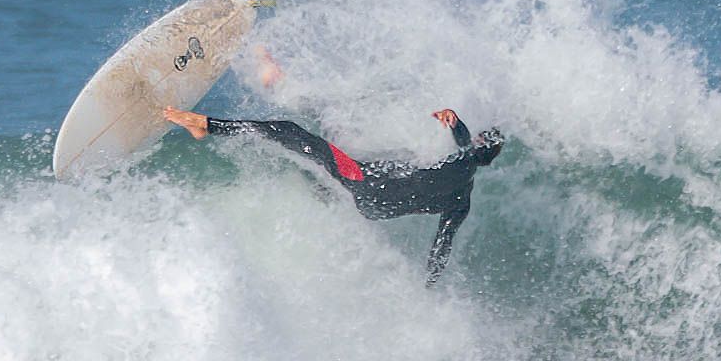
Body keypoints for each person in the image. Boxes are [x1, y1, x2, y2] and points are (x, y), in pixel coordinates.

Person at [163, 96, 506, 284]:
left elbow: (464, 146)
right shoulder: (463, 201)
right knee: (388, 161)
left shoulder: (463, 156)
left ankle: (206, 126)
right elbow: (441, 247)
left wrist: (455, 121)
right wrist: (430, 284)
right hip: (375, 210)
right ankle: (326, 190)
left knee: (290, 132)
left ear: (479, 145)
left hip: (366, 182)